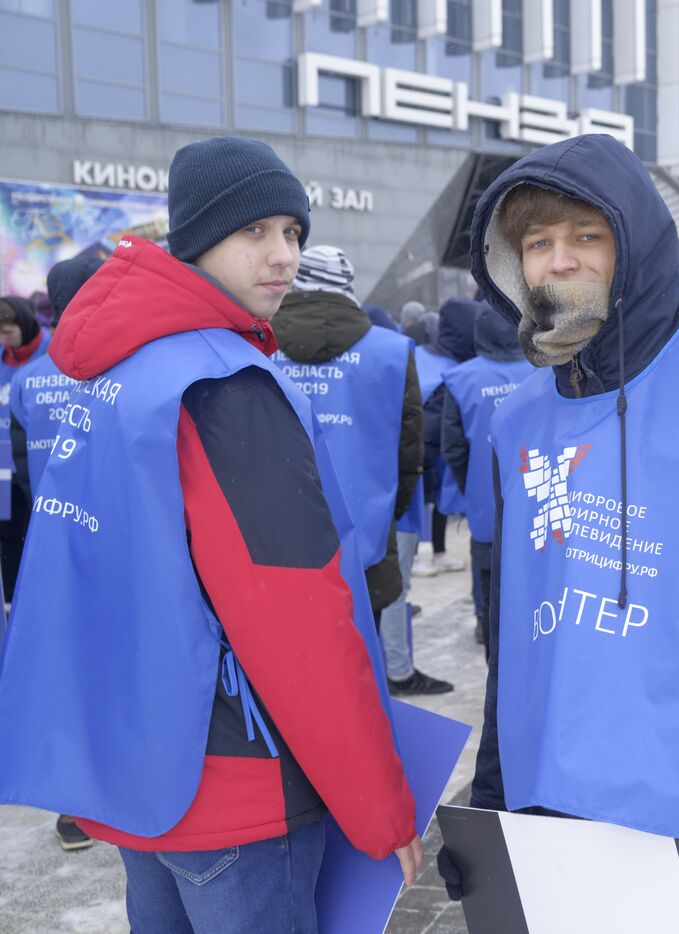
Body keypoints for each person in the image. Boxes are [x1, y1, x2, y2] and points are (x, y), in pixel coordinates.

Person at [0, 135, 422, 930]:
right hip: (237, 783)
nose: (283, 255)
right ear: (197, 239)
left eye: (293, 233)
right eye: (254, 231)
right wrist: (380, 806)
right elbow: (297, 619)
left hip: (136, 771)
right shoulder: (225, 383)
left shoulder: (110, 369)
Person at [433, 133, 679, 934]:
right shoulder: (519, 416)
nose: (559, 260)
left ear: (637, 243)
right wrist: (492, 804)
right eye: (538, 242)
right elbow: (518, 641)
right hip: (552, 813)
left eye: (588, 235)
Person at [273, 244, 451, 697]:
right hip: (365, 542)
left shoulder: (260, 344)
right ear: (350, 291)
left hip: (273, 547)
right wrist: (389, 515)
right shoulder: (391, 351)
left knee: (287, 683)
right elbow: (408, 451)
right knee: (356, 680)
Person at [7, 254, 102, 851]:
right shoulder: (117, 367)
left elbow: (20, 471)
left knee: (68, 671)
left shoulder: (25, 379)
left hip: (50, 541)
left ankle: (71, 811)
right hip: (111, 543)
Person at [439, 305, 532, 647]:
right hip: (539, 507)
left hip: (486, 509)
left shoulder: (462, 380)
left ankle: (489, 634)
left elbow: (453, 448)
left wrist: (474, 490)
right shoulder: (544, 372)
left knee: (490, 588)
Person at [412, 298, 479, 578]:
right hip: (423, 445)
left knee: (431, 495)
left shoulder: (418, 353)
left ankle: (436, 552)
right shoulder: (459, 369)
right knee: (424, 494)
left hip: (420, 442)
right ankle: (416, 554)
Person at [0, 294, 48, 602]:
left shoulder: (49, 352)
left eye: (8, 332)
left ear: (25, 324)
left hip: (37, 455)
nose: (4, 340)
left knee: (38, 529)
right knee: (8, 531)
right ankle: (13, 599)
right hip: (4, 458)